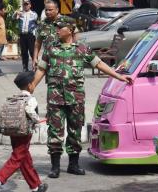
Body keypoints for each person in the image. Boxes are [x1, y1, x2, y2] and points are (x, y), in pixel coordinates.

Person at [29, 17, 133, 178]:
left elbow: (99, 64)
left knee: (75, 131)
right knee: (55, 132)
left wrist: (119, 77)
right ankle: (55, 166)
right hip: (55, 98)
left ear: (70, 30)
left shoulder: (81, 49)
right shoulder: (51, 49)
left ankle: (73, 164)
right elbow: (41, 70)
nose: (57, 30)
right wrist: (31, 87)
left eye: (60, 27)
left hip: (75, 98)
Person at [0, 72, 47, 192]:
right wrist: (37, 120)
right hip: (24, 133)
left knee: (24, 158)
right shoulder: (31, 99)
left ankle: (36, 187)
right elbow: (30, 111)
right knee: (18, 158)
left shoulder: (14, 98)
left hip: (13, 131)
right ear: (30, 85)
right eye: (33, 83)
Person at [33, 0, 60, 70]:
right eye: (46, 10)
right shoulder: (42, 24)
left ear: (57, 10)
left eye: (50, 10)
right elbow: (38, 43)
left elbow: (75, 39)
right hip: (48, 60)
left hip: (63, 60)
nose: (47, 12)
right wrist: (35, 58)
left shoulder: (67, 21)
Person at [15, 0, 38, 72]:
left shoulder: (34, 14)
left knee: (32, 51)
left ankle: (35, 66)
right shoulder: (20, 13)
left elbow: (37, 22)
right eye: (24, 4)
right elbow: (13, 18)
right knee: (24, 52)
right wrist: (17, 13)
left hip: (30, 35)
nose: (25, 6)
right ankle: (25, 67)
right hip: (22, 36)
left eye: (27, 4)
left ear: (30, 5)